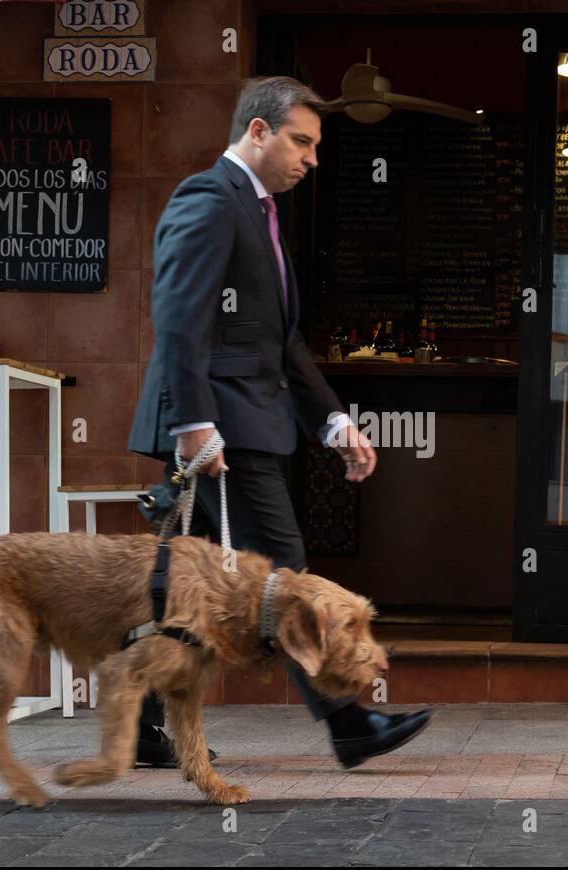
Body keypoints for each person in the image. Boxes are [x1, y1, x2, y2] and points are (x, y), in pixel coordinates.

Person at [129, 76, 432, 770]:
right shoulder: (209, 199)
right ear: (258, 132)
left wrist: (333, 424)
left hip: (241, 428)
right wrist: (196, 427)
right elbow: (177, 319)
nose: (312, 158)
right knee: (284, 578)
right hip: (221, 436)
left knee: (189, 591)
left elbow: (281, 343)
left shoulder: (260, 214)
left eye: (316, 145)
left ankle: (144, 725)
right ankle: (349, 721)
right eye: (302, 140)